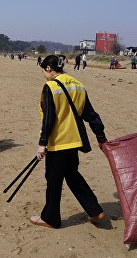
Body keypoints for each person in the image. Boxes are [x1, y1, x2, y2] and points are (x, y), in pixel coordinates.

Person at [30, 55, 107, 229]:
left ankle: (50, 218)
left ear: (48, 68)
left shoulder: (51, 86)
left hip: (58, 142)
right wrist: (101, 137)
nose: (44, 75)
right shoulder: (78, 85)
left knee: (53, 179)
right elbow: (91, 115)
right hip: (75, 142)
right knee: (72, 175)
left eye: (43, 71)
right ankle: (94, 209)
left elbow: (48, 119)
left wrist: (42, 143)